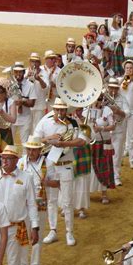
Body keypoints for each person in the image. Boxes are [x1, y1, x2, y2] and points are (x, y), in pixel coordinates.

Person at [34, 98, 86, 246]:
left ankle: (69, 232)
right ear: (54, 110)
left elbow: (81, 141)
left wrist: (63, 143)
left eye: (62, 110)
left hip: (66, 165)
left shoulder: (73, 123)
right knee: (51, 200)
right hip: (50, 164)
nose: (60, 112)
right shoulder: (45, 122)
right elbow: (35, 140)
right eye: (57, 109)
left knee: (67, 201)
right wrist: (49, 138)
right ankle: (53, 230)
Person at [17, 136, 59, 265]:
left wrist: (46, 182)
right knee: (23, 236)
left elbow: (57, 183)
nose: (31, 152)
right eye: (29, 149)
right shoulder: (21, 162)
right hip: (23, 204)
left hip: (39, 203)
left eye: (34, 150)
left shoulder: (49, 163)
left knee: (37, 236)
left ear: (40, 150)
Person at [105, 78, 129, 186]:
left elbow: (127, 113)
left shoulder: (123, 99)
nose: (113, 90)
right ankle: (106, 176)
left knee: (117, 154)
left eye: (115, 88)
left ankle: (116, 176)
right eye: (111, 88)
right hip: (105, 131)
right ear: (108, 88)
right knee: (105, 155)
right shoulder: (103, 98)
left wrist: (117, 110)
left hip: (118, 129)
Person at [71, 108, 92, 219]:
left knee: (82, 181)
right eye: (76, 109)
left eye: (79, 110)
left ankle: (81, 209)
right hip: (70, 152)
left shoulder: (88, 120)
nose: (77, 112)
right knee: (69, 180)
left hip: (83, 153)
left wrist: (79, 123)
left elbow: (89, 138)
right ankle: (68, 207)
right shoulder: (68, 120)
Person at [11, 62, 37, 146]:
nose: (18, 74)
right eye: (16, 72)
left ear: (23, 72)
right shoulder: (9, 85)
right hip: (11, 117)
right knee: (9, 143)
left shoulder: (30, 85)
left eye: (20, 72)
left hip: (25, 118)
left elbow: (32, 103)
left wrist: (22, 101)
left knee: (25, 144)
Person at [26, 53, 48, 133]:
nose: (34, 64)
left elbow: (46, 87)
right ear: (30, 62)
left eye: (36, 62)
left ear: (39, 63)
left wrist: (39, 79)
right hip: (28, 105)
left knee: (37, 128)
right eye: (32, 61)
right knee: (27, 127)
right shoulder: (26, 72)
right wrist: (26, 78)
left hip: (39, 105)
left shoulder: (44, 73)